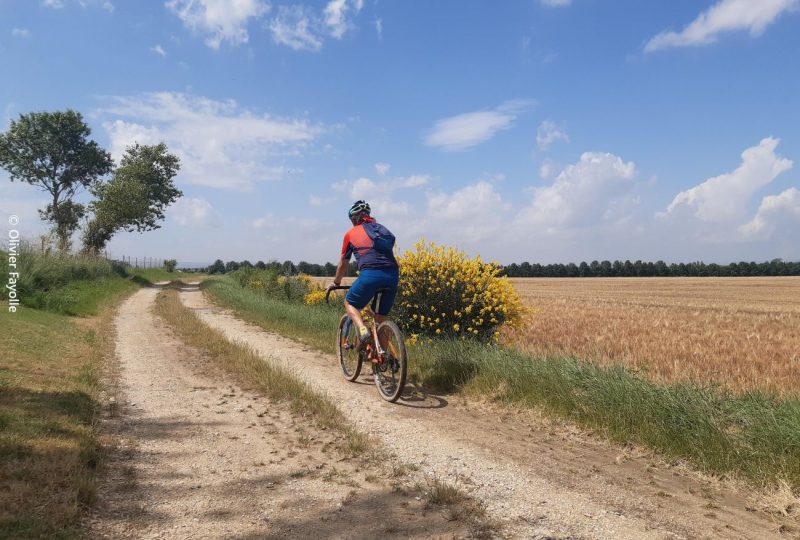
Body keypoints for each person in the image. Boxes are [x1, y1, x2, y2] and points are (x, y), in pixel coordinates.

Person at [328, 200, 399, 349]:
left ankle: (362, 330)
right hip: (392, 275)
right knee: (380, 319)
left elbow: (343, 263)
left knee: (350, 303)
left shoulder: (351, 234)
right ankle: (383, 360)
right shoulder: (380, 230)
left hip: (370, 275)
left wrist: (336, 282)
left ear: (354, 219)